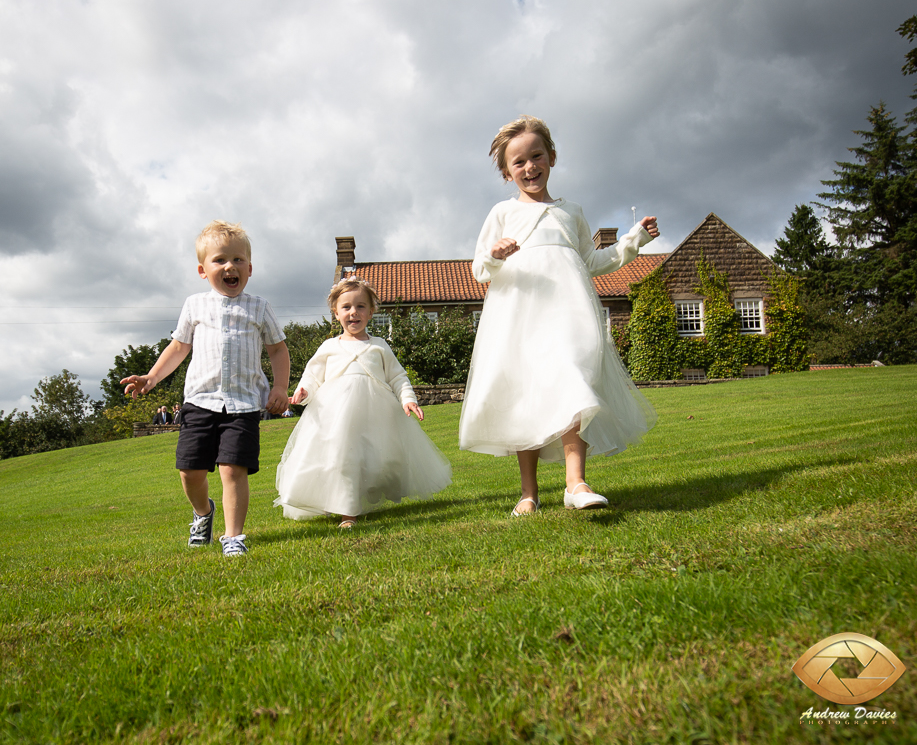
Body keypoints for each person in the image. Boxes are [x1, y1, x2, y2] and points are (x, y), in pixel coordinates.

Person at [459, 116, 659, 516]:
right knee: (525, 393)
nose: (529, 167)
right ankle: (529, 493)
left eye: (537, 156)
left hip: (569, 313)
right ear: (505, 172)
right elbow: (479, 270)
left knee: (574, 379)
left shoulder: (572, 212)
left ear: (551, 157)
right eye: (518, 162)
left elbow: (593, 261)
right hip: (520, 316)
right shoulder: (502, 212)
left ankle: (575, 482)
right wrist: (495, 255)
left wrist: (633, 240)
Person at [121, 220, 290, 555]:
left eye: (238, 260)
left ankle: (234, 537)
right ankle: (203, 513)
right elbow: (179, 347)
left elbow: (277, 349)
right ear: (203, 270)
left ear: (250, 268)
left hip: (242, 404)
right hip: (199, 401)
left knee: (232, 468)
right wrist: (151, 378)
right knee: (189, 470)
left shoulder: (259, 307)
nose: (230, 266)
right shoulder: (194, 305)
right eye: (220, 260)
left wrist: (281, 387)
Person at [274, 277, 451, 528]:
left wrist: (408, 399)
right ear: (336, 313)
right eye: (346, 307)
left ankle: (355, 502)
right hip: (334, 414)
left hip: (375, 412)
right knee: (340, 457)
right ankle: (346, 511)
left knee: (372, 459)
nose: (353, 312)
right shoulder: (328, 346)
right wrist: (304, 391)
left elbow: (397, 376)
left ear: (371, 312)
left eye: (360, 306)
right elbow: (313, 376)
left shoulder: (378, 346)